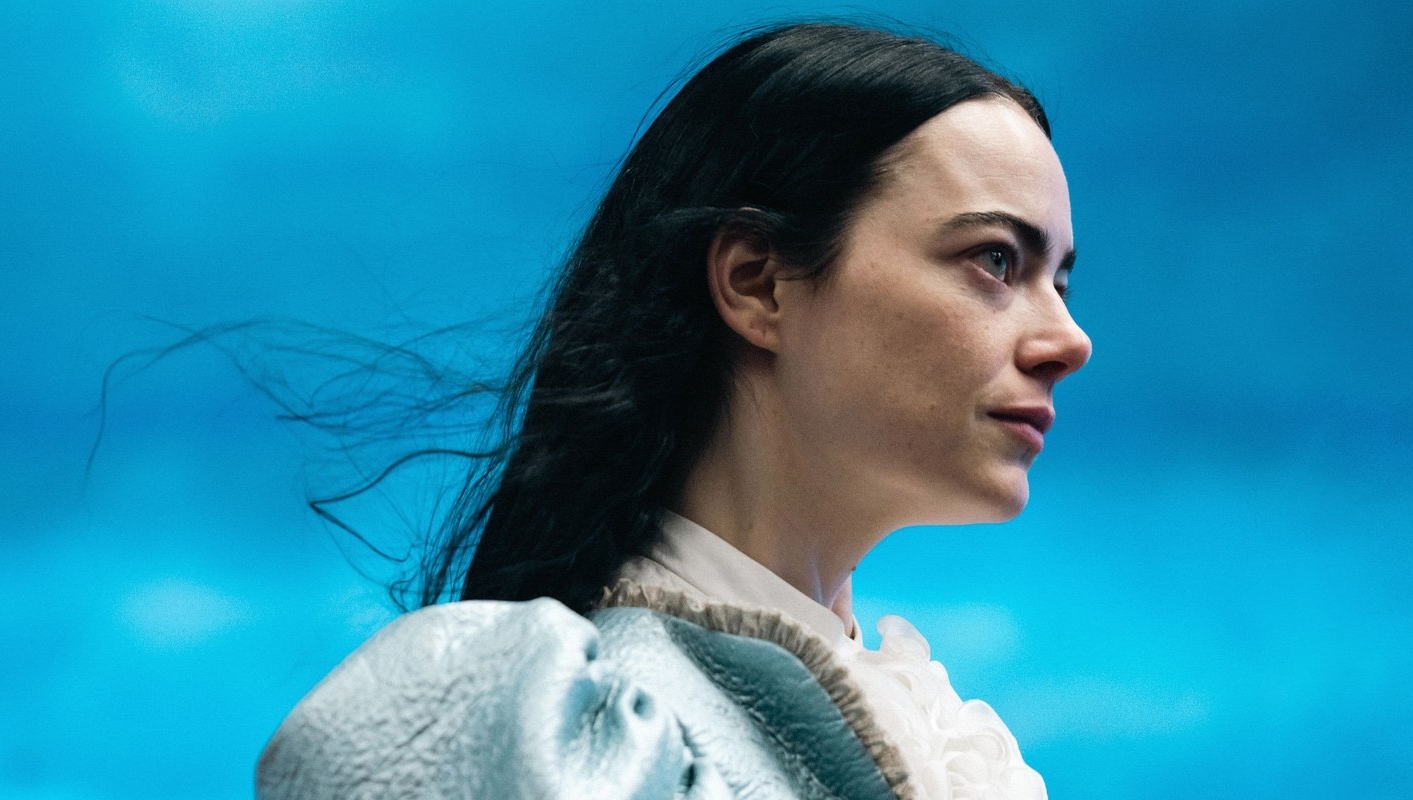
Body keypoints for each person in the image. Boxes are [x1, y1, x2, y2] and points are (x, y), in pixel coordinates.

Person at [256, 20, 1089, 800]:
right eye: (994, 260)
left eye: (1059, 282)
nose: (1069, 339)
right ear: (757, 283)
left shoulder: (921, 729)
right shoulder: (570, 742)